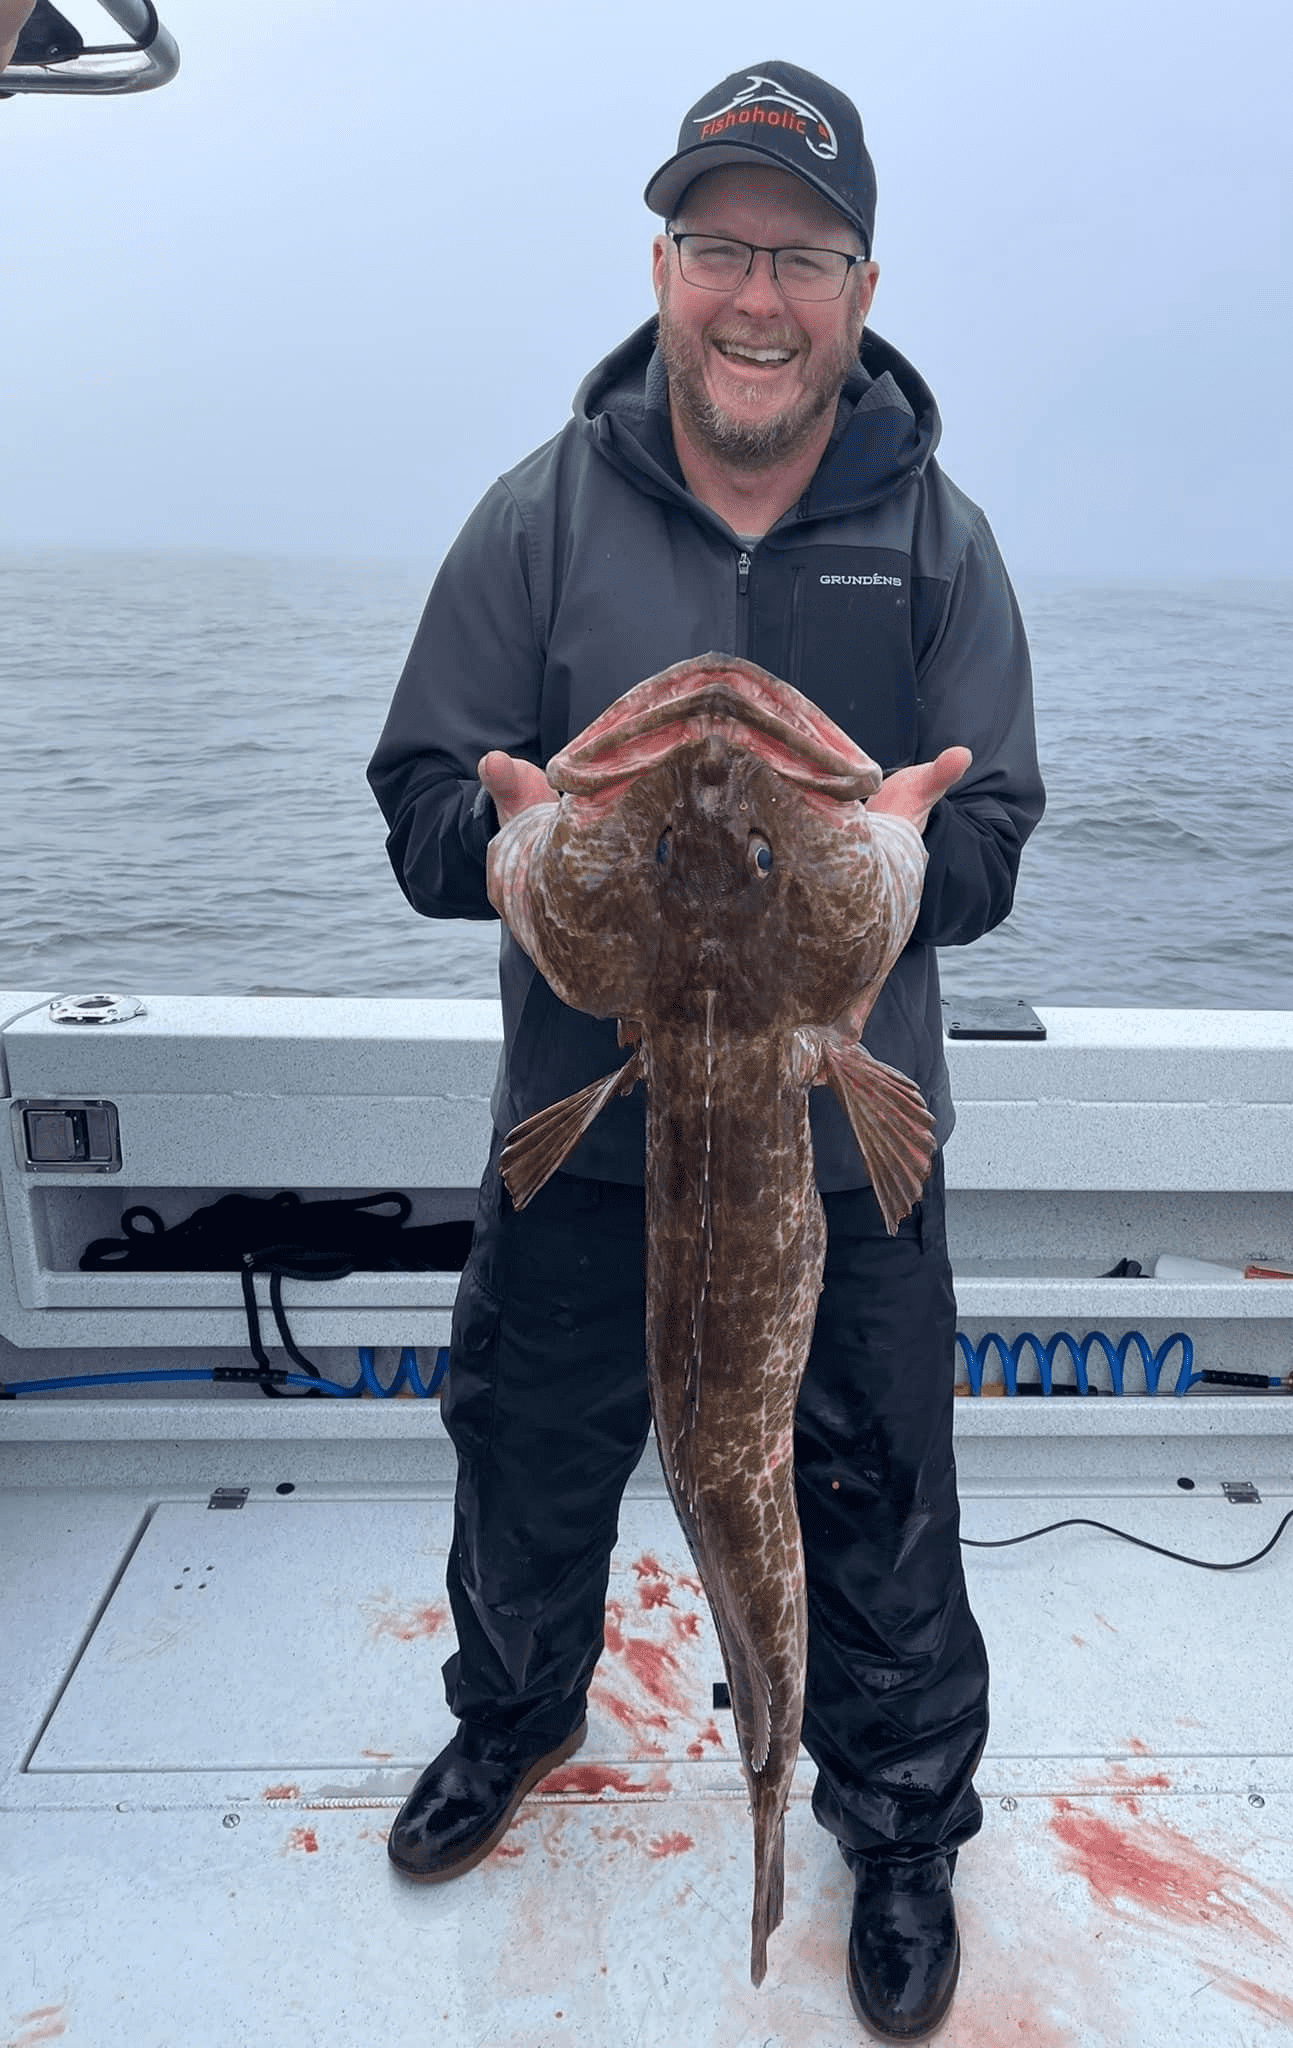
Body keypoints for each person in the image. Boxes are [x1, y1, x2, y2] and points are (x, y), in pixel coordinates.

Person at [368, 60, 1044, 2042]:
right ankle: (510, 1719)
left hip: (845, 1145)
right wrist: (499, 841)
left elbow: (995, 827)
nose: (762, 295)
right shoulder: (541, 512)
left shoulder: (936, 540)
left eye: (804, 257)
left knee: (879, 1494)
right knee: (528, 1454)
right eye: (725, 248)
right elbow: (422, 791)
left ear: (860, 283)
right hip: (580, 1136)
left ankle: (896, 1821)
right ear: (665, 266)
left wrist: (922, 863)